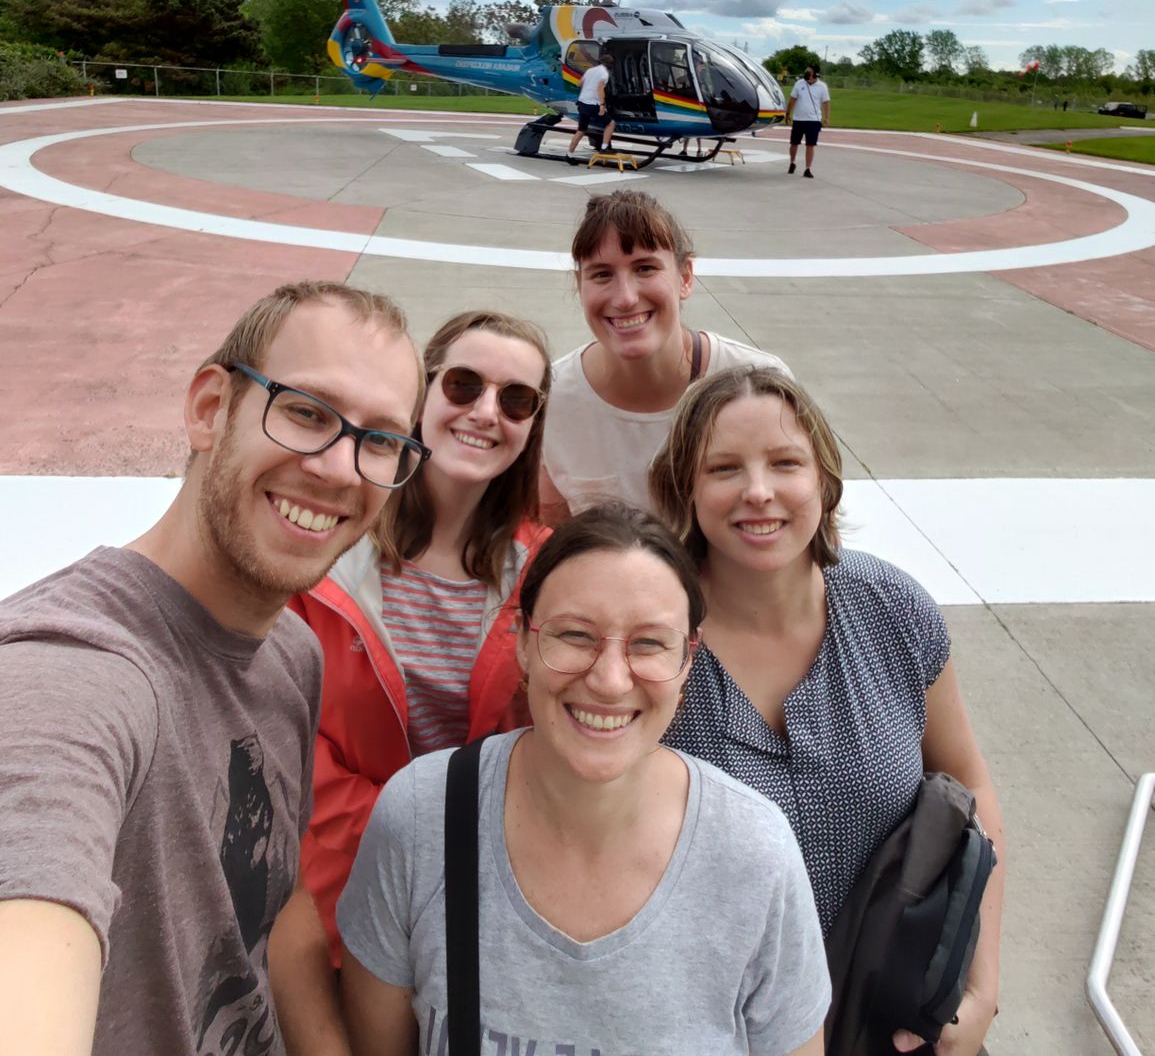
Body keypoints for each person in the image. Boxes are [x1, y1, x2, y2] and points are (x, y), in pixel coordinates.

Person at [0, 280, 425, 1056]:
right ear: (208, 409)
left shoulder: (290, 656)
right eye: (305, 412)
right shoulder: (69, 674)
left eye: (380, 441)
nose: (340, 469)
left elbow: (274, 906)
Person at [337, 503, 831, 1056]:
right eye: (575, 635)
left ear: (688, 662)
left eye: (649, 643)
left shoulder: (754, 853)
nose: (610, 680)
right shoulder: (421, 818)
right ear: (523, 641)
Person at [650, 365, 1005, 1056]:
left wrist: (980, 989)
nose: (758, 491)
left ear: (824, 480)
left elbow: (972, 787)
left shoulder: (893, 609)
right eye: (723, 468)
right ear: (685, 490)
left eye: (784, 462)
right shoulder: (651, 636)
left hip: (893, 1021)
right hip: (716, 1028)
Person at [291, 309, 552, 958]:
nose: (487, 412)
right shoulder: (331, 539)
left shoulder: (546, 572)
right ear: (421, 395)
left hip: (474, 895)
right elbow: (283, 732)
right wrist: (411, 832)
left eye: (516, 399)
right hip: (328, 890)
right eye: (464, 385)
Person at [540, 190, 791, 518]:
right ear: (580, 284)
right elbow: (555, 524)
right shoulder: (550, 400)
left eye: (645, 269)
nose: (626, 297)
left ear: (685, 277)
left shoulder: (759, 382)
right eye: (602, 274)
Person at [567, 50, 614, 162]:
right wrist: (602, 105)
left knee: (581, 130)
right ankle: (604, 147)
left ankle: (569, 155)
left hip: (582, 103)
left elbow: (579, 84)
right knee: (610, 124)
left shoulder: (590, 70)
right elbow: (600, 89)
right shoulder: (604, 73)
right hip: (592, 105)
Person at [786, 62, 831, 176]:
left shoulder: (822, 86)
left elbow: (825, 103)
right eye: (806, 71)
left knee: (810, 145)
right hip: (798, 119)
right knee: (794, 143)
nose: (806, 73)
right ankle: (792, 162)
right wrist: (787, 114)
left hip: (813, 120)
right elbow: (792, 100)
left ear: (815, 74)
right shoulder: (799, 83)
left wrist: (826, 117)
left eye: (809, 72)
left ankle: (807, 169)